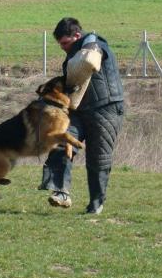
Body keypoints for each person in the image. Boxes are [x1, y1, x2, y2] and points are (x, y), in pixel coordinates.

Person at [40, 17, 124, 214]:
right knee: (61, 142)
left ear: (77, 35)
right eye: (60, 44)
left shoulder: (95, 44)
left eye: (65, 43)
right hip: (79, 111)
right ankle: (61, 192)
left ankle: (96, 204)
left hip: (106, 108)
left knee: (98, 158)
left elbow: (91, 60)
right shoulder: (72, 55)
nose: (62, 47)